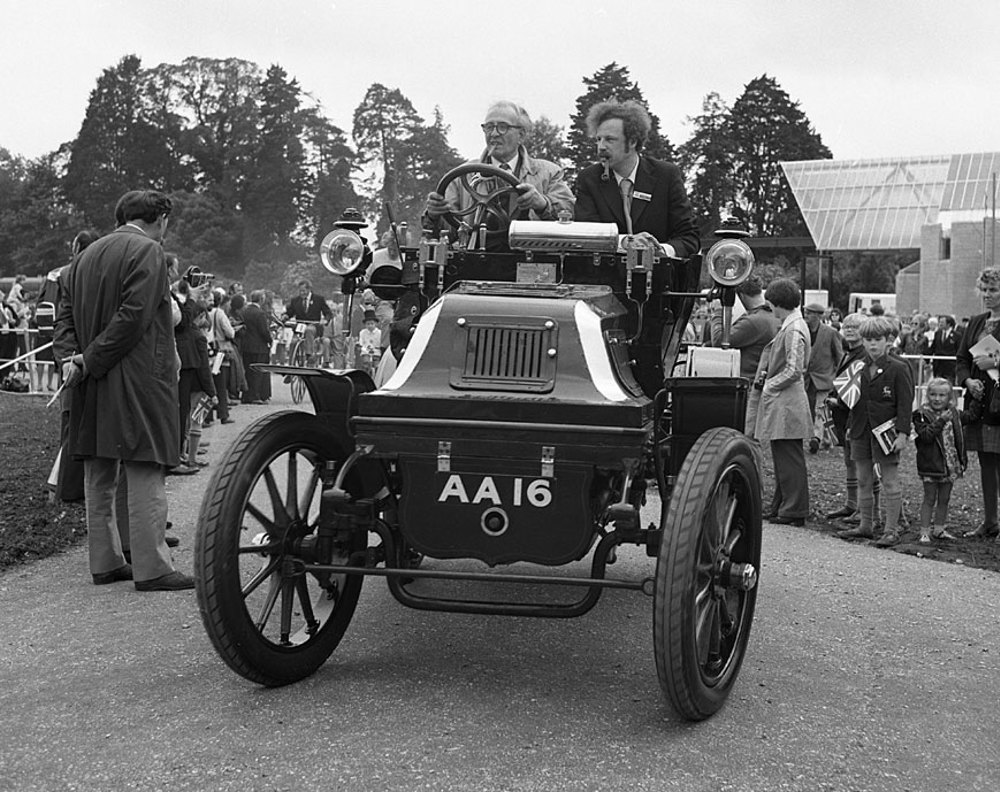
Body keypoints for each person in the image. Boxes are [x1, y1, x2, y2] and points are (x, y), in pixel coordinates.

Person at [53, 189, 194, 591]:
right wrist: (92, 357)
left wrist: (72, 360)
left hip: (89, 381)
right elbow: (133, 317)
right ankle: (152, 567)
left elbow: (62, 324)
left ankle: (106, 561)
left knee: (98, 470)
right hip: (136, 379)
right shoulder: (147, 251)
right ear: (161, 219)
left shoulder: (81, 260)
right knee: (146, 466)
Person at [423, 100, 575, 250]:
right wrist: (434, 215)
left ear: (521, 135)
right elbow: (447, 235)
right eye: (489, 127)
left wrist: (542, 204)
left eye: (503, 127)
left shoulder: (549, 173)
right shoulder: (462, 177)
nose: (494, 134)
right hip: (475, 261)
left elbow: (569, 215)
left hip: (532, 261)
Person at [574, 100, 700, 259]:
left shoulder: (666, 175)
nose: (601, 147)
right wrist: (625, 243)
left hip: (658, 278)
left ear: (633, 141)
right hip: (608, 279)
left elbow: (689, 237)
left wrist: (662, 250)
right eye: (598, 139)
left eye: (610, 139)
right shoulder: (589, 179)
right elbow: (587, 235)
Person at [745, 278, 812, 526]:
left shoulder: (793, 329)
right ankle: (781, 506)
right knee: (783, 456)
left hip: (787, 403)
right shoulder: (792, 324)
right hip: (786, 402)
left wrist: (769, 385)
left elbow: (795, 369)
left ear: (775, 304)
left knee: (789, 458)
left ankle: (794, 509)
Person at [841, 316, 913, 546]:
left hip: (886, 434)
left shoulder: (899, 368)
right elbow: (853, 400)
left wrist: (902, 433)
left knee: (890, 480)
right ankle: (866, 524)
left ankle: (891, 529)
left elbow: (905, 403)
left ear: (888, 340)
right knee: (863, 479)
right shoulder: (857, 368)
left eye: (878, 340)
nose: (873, 345)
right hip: (861, 430)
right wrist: (850, 427)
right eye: (868, 340)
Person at [956, 267, 1000, 541]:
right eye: (983, 290)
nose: (987, 295)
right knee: (986, 463)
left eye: (993, 290)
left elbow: (988, 360)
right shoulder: (975, 321)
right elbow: (962, 359)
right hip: (979, 404)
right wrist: (967, 382)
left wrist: (995, 362)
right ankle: (990, 521)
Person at [825, 313, 881, 526]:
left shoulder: (863, 355)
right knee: (849, 461)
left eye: (854, 327)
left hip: (855, 415)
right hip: (843, 414)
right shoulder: (848, 352)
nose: (849, 330)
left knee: (863, 464)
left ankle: (865, 508)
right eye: (846, 326)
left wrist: (839, 401)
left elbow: (858, 386)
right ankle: (851, 503)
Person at [913, 377, 966, 544]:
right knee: (929, 498)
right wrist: (941, 420)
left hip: (950, 465)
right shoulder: (921, 414)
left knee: (944, 498)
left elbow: (963, 430)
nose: (937, 398)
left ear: (949, 397)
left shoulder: (954, 413)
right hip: (930, 465)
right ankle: (924, 530)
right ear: (927, 395)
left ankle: (939, 528)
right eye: (933, 394)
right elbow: (926, 436)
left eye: (942, 395)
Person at [708, 275, 779, 380]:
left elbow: (719, 341)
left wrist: (718, 311)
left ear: (741, 296)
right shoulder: (772, 316)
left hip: (748, 384)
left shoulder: (753, 322)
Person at [803, 302, 843, 453]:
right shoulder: (803, 330)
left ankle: (816, 437)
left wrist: (839, 379)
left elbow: (839, 357)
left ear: (818, 316)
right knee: (814, 410)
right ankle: (827, 438)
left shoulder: (831, 333)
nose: (806, 315)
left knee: (820, 408)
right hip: (807, 378)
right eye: (805, 312)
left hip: (825, 378)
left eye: (810, 313)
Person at [285, 279, 331, 363]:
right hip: (300, 327)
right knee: (293, 342)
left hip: (313, 326)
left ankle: (308, 354)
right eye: (300, 291)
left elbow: (328, 313)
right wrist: (285, 316)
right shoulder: (295, 300)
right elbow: (290, 312)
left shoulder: (319, 299)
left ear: (309, 289)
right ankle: (291, 363)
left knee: (309, 330)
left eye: (303, 291)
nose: (302, 293)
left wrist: (325, 320)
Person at [241, 289, 273, 404]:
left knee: (248, 371)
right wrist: (270, 340)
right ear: (261, 299)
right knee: (258, 372)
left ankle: (246, 395)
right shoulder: (260, 313)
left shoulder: (245, 311)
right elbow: (263, 331)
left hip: (246, 346)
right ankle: (256, 395)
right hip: (259, 346)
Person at [930, 314, 959, 383]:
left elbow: (959, 350)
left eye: (942, 322)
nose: (940, 324)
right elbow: (933, 347)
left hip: (950, 366)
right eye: (939, 322)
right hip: (938, 365)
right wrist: (926, 358)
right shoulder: (937, 333)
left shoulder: (957, 335)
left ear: (949, 324)